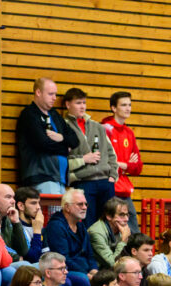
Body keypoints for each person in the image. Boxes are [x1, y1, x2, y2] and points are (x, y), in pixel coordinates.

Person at [61, 87, 118, 228]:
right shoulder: (63, 126)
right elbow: (61, 160)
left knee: (109, 224)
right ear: (68, 105)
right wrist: (82, 162)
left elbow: (111, 153)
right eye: (78, 103)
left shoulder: (97, 126)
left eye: (84, 103)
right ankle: (89, 250)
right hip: (84, 182)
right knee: (88, 224)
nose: (82, 107)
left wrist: (112, 176)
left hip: (105, 182)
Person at [15, 77, 79, 193]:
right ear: (38, 92)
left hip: (60, 178)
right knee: (51, 211)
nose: (54, 98)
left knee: (61, 211)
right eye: (50, 94)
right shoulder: (29, 115)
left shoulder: (54, 115)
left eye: (55, 94)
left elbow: (75, 140)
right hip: (41, 177)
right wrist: (66, 147)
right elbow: (43, 144)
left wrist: (62, 138)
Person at [100, 91, 144, 232]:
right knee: (112, 231)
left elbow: (137, 167)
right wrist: (126, 165)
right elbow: (103, 162)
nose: (128, 108)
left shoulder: (129, 133)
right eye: (123, 105)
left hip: (124, 190)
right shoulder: (105, 129)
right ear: (114, 108)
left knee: (133, 232)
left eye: (129, 105)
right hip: (109, 187)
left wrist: (122, 165)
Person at [44, 189, 97, 286]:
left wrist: (94, 270)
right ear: (67, 207)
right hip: (66, 269)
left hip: (84, 270)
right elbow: (64, 259)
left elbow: (90, 254)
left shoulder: (81, 227)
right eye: (80, 204)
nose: (85, 207)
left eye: (85, 204)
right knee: (84, 281)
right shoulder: (56, 226)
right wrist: (87, 274)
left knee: (107, 280)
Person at [1, 185, 45, 264]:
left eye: (39, 203)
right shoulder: (14, 226)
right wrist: (37, 232)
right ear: (21, 206)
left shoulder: (38, 223)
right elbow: (32, 258)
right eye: (33, 203)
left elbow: (46, 254)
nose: (38, 207)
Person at [89, 197, 131, 270]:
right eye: (121, 215)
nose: (126, 219)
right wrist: (123, 240)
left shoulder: (121, 228)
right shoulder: (96, 233)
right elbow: (113, 263)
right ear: (108, 216)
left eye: (127, 215)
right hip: (100, 272)